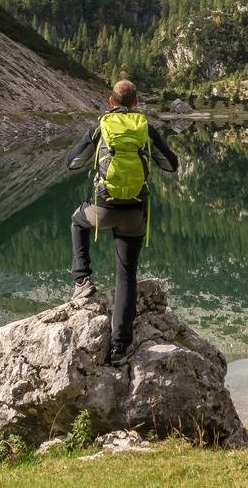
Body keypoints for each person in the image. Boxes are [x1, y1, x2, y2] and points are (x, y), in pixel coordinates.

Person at [64, 79, 178, 365]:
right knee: (126, 275)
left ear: (111, 102)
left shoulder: (101, 126)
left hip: (103, 208)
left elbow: (73, 162)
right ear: (136, 103)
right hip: (134, 213)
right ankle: (119, 348)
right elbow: (171, 165)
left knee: (78, 220)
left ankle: (82, 280)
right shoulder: (145, 129)